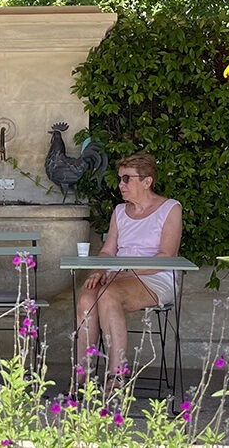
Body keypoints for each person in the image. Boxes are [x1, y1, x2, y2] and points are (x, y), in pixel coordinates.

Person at [74, 151, 184, 384]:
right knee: (86, 298)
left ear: (147, 181)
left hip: (155, 277)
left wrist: (124, 271)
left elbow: (166, 255)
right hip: (119, 275)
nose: (121, 185)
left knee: (108, 295)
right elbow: (108, 251)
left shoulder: (170, 208)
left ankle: (116, 377)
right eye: (120, 179)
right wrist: (99, 271)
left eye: (127, 179)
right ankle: (81, 377)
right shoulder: (119, 211)